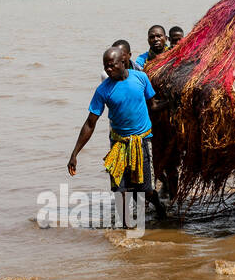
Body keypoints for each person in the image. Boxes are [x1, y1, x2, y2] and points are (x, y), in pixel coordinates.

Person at [68, 47, 168, 224]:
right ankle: (125, 229)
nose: (108, 70)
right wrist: (74, 154)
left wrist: (172, 102)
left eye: (112, 65)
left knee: (145, 190)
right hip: (118, 143)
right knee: (120, 191)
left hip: (142, 141)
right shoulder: (103, 90)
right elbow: (90, 123)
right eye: (105, 66)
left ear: (124, 62)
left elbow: (153, 105)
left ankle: (159, 208)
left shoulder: (141, 78)